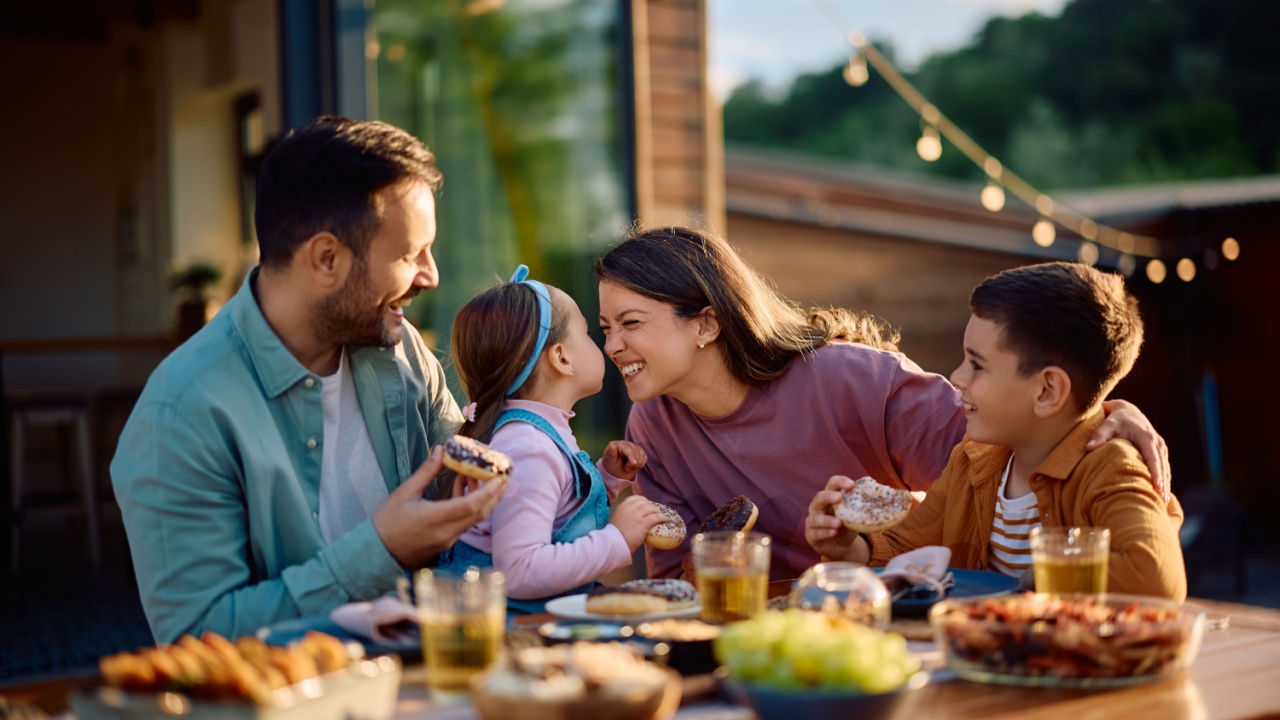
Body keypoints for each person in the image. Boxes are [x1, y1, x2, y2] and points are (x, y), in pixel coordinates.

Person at [111, 116, 506, 643]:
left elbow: (465, 488)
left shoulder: (401, 349)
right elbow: (197, 635)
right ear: (326, 259)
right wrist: (383, 551)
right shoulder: (181, 415)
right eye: (411, 254)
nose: (430, 276)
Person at [593, 225, 1171, 582]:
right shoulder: (652, 425)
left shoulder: (854, 381)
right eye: (604, 326)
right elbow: (675, 581)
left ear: (707, 325)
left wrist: (1107, 414)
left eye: (631, 323)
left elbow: (1006, 443)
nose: (612, 343)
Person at [806, 262, 1186, 599]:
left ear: (1047, 391)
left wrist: (1030, 580)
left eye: (977, 365)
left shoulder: (1111, 466)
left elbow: (1156, 577)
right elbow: (903, 549)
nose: (956, 377)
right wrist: (850, 548)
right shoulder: (972, 460)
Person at [435, 266, 665, 613]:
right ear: (561, 358)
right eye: (588, 333)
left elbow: (552, 512)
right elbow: (520, 571)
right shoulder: (530, 448)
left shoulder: (535, 437)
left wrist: (605, 478)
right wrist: (617, 538)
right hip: (506, 630)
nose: (604, 345)